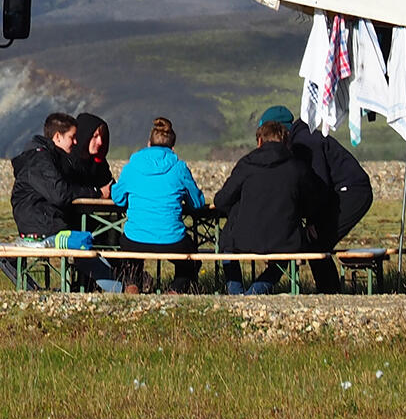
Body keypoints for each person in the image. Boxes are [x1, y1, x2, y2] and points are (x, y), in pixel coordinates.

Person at [260, 104, 374, 293]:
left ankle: (329, 292)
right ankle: (329, 291)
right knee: (316, 242)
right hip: (339, 192)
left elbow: (319, 185)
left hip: (352, 192)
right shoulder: (301, 140)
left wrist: (313, 218)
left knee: (318, 242)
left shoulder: (305, 142)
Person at [214, 119, 320, 294]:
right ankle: (256, 291)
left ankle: (235, 291)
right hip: (285, 240)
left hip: (243, 238)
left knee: (227, 244)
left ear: (260, 141)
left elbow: (221, 200)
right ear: (286, 142)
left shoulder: (246, 165)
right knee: (285, 256)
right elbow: (314, 202)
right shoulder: (297, 168)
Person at [110, 117, 205, 294]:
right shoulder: (179, 167)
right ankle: (175, 290)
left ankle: (132, 285)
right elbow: (198, 203)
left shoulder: (132, 166)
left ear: (148, 144)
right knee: (192, 259)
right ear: (173, 148)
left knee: (128, 249)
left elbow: (118, 198)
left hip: (135, 239)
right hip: (172, 240)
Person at [10, 112, 78, 239]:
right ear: (58, 136)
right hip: (41, 224)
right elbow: (60, 194)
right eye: (72, 137)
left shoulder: (50, 158)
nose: (75, 142)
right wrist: (95, 192)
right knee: (85, 240)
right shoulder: (41, 160)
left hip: (42, 221)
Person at [65, 112, 115, 197]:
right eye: (95, 136)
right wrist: (98, 192)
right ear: (84, 136)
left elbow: (108, 185)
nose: (100, 142)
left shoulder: (98, 163)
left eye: (102, 137)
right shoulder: (66, 161)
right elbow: (66, 192)